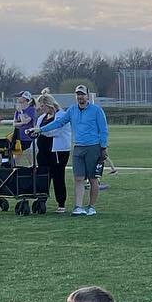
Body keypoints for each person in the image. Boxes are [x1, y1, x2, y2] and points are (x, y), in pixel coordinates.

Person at [38, 85, 110, 217]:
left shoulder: (96, 110)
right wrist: (41, 129)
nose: (80, 97)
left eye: (82, 94)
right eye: (78, 94)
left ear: (87, 96)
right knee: (78, 178)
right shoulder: (72, 110)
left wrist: (103, 147)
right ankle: (78, 206)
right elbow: (59, 122)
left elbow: (103, 130)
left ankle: (91, 206)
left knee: (93, 179)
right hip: (78, 147)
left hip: (93, 147)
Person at [33, 91, 71, 214]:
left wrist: (40, 131)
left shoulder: (62, 116)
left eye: (42, 106)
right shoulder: (41, 118)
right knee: (43, 175)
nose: (41, 109)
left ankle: (61, 203)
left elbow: (56, 131)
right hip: (43, 151)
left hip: (58, 151)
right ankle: (41, 200)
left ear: (48, 104)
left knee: (58, 176)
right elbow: (37, 130)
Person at [11, 89, 38, 168]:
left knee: (30, 157)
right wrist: (22, 123)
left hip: (28, 138)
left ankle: (34, 171)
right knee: (16, 158)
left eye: (20, 97)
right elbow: (14, 124)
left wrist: (21, 113)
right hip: (19, 137)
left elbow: (26, 121)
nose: (18, 99)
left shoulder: (31, 110)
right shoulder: (17, 111)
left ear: (26, 99)